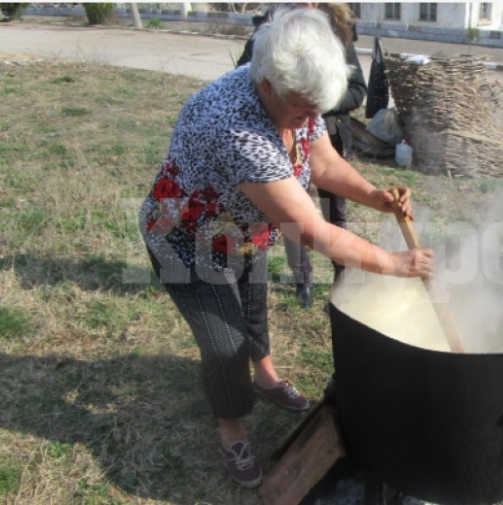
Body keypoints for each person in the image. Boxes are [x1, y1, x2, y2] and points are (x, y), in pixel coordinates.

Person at [139, 7, 433, 489]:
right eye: (301, 110)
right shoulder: (236, 128)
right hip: (187, 239)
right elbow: (310, 230)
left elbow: (323, 161)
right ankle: (232, 427)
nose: (309, 120)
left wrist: (375, 197)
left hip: (242, 229)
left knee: (253, 308)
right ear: (267, 85)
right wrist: (393, 263)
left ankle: (266, 377)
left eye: (315, 110)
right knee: (224, 343)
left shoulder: (296, 96)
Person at [237, 3, 367, 308]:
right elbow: (307, 226)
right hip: (279, 140)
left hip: (329, 133)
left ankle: (342, 279)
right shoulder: (270, 33)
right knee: (297, 218)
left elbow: (357, 90)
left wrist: (315, 102)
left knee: (335, 212)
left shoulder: (335, 29)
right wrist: (394, 263)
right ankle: (303, 281)